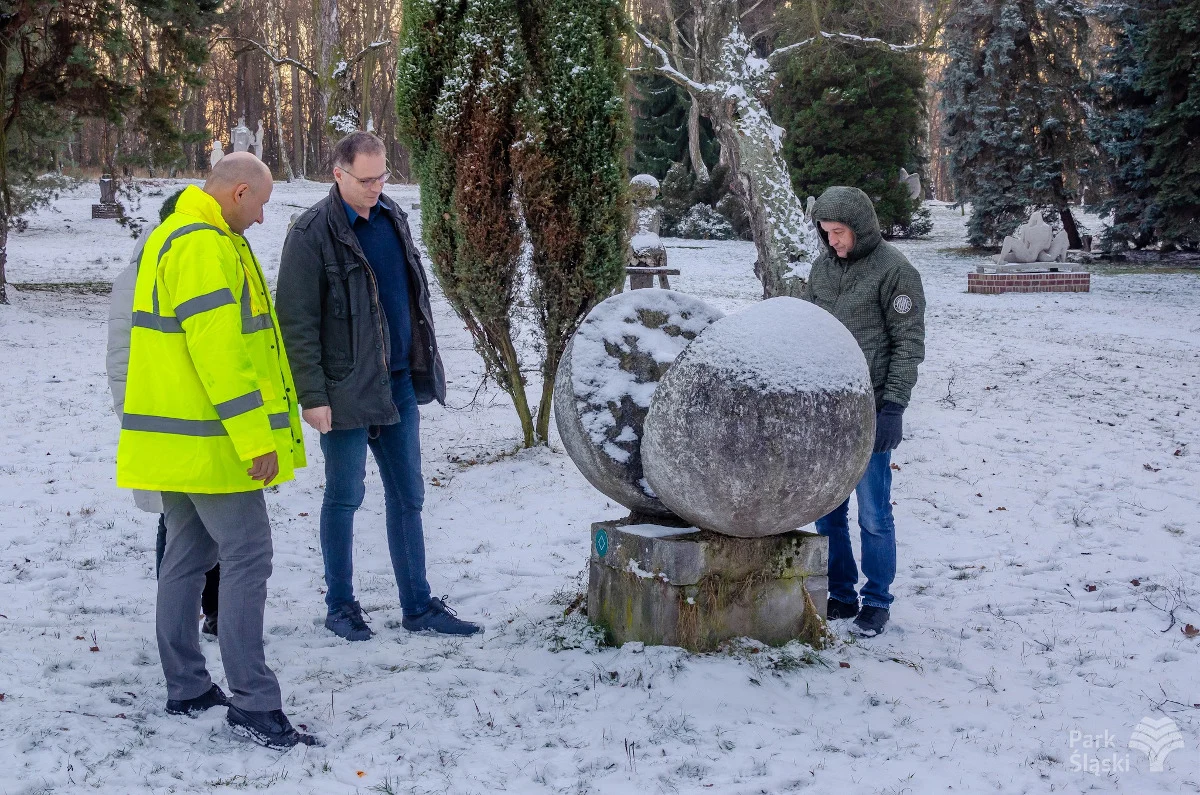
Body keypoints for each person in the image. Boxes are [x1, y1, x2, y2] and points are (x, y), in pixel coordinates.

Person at [115, 153, 315, 749]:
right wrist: (257, 441)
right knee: (248, 555)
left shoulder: (172, 235)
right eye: (260, 205)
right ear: (236, 194)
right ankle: (254, 703)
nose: (260, 219)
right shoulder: (204, 246)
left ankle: (188, 686)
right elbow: (221, 355)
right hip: (212, 443)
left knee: (185, 556)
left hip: (177, 442)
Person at [276, 131, 480, 641]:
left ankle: (417, 605)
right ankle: (340, 606)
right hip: (344, 388)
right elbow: (295, 323)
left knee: (408, 495)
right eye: (366, 179)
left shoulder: (393, 218)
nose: (377, 186)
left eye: (383, 174)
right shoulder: (309, 233)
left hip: (398, 385)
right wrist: (313, 396)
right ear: (338, 174)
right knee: (344, 497)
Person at [803, 186, 926, 637]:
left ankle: (876, 599)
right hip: (824, 410)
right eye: (826, 232)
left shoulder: (896, 272)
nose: (832, 241)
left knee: (873, 511)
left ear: (861, 227)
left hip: (871, 408)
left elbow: (908, 344)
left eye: (839, 232)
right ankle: (841, 592)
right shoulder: (821, 270)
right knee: (828, 510)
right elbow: (811, 332)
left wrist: (893, 406)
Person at [107, 189, 220, 638]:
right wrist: (132, 417)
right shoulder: (136, 276)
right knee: (175, 523)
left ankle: (216, 609)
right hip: (162, 423)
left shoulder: (208, 262)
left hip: (209, 422)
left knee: (218, 522)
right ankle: (177, 617)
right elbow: (122, 356)